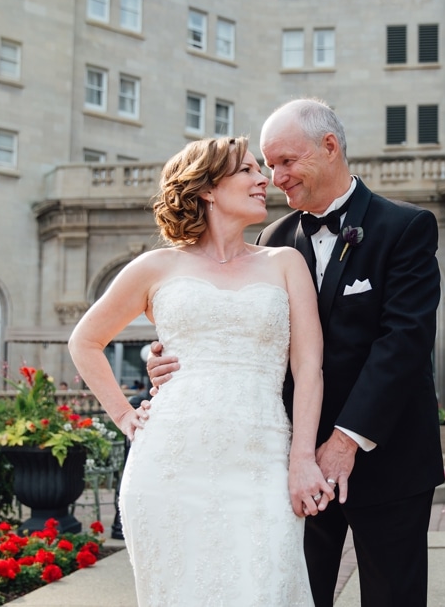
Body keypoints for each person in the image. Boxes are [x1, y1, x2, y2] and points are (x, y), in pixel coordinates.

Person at [149, 98, 445, 607]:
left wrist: (346, 440)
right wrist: (175, 355)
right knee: (296, 595)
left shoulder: (406, 227)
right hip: (291, 463)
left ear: (329, 147)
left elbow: (404, 343)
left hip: (388, 456)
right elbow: (248, 335)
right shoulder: (273, 238)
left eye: (286, 161)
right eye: (268, 164)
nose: (275, 177)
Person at [68, 136, 333, 606]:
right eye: (247, 170)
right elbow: (85, 341)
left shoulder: (286, 263)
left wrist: (302, 459)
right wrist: (126, 416)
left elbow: (309, 367)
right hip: (169, 463)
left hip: (263, 460)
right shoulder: (155, 266)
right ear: (208, 188)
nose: (263, 180)